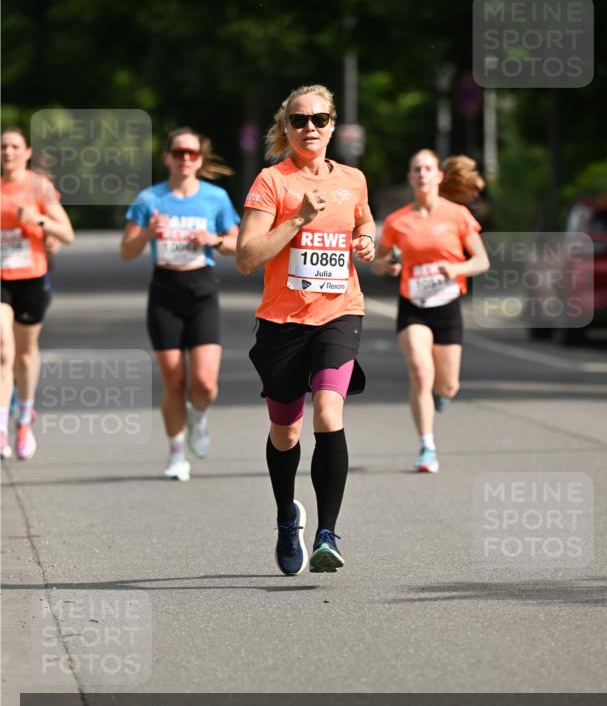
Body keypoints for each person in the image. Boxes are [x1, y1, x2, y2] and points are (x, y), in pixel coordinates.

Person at [236, 84, 375, 576]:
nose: (309, 127)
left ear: (333, 124)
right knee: (285, 431)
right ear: (287, 128)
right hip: (282, 322)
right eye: (299, 120)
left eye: (319, 118)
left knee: (328, 408)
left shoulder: (353, 179)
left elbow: (365, 222)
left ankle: (326, 534)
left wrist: (365, 240)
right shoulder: (272, 182)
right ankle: (286, 517)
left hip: (340, 312)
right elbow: (246, 258)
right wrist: (297, 219)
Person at [121, 127, 240, 481]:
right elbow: (126, 252)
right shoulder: (149, 200)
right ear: (167, 157)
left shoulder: (215, 198)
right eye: (179, 153)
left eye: (192, 153)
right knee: (173, 380)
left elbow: (239, 245)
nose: (185, 158)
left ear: (200, 159)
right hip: (164, 292)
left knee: (205, 383)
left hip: (202, 290)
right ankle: (176, 454)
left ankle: (198, 417)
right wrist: (146, 233)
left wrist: (214, 239)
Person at [373, 149, 489, 473]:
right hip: (414, 306)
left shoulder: (458, 215)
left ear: (438, 176)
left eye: (427, 168)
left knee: (448, 385)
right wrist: (389, 266)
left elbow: (482, 261)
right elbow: (379, 263)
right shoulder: (398, 221)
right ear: (410, 178)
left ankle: (442, 395)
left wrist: (457, 269)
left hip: (447, 304)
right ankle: (427, 446)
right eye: (416, 169)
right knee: (421, 372)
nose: (422, 174)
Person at [1, 126, 75, 460]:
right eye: (3, 147)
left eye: (15, 147)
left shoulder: (38, 187)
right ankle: (2, 425)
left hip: (31, 277)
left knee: (26, 353)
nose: (8, 152)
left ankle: (24, 418)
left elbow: (67, 233)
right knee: (4, 349)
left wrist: (37, 220)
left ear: (27, 152)